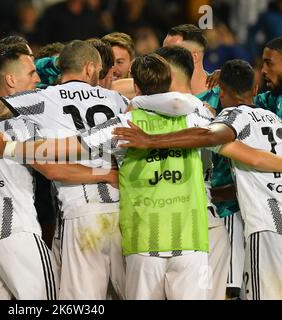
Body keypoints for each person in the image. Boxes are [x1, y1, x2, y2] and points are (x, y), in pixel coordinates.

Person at [0, 40, 128, 299]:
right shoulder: (117, 99)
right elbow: (51, 169)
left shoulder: (38, 102)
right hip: (117, 210)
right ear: (90, 67)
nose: (38, 77)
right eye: (31, 73)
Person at [112, 59, 282, 300]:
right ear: (254, 90)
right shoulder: (274, 118)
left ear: (221, 92)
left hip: (266, 223)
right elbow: (254, 164)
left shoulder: (232, 116)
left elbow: (209, 136)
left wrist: (150, 140)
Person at [164, 24, 244, 297]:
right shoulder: (159, 97)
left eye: (170, 51)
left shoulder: (224, 94)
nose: (162, 57)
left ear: (195, 56)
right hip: (179, 210)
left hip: (226, 210)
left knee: (228, 290)